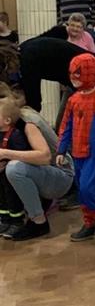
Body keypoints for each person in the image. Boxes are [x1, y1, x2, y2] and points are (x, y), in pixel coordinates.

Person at [0, 84, 74, 241]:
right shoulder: (9, 119)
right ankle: (11, 216)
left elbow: (44, 156)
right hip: (42, 171)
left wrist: (6, 154)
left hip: (60, 175)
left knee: (14, 169)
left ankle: (38, 222)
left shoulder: (27, 121)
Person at [57, 53, 95, 243]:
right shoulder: (73, 100)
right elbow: (66, 125)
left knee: (89, 188)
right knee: (82, 191)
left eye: (78, 74)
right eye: (72, 74)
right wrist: (61, 149)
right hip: (77, 153)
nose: (73, 78)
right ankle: (89, 223)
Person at [19, 35, 95, 112]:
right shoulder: (23, 50)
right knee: (64, 122)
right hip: (76, 79)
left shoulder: (27, 60)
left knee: (85, 119)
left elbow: (34, 102)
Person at [0, 98, 31, 235]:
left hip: (10, 174)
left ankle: (17, 221)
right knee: (1, 197)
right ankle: (5, 220)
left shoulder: (15, 135)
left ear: (7, 120)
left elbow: (21, 154)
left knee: (12, 197)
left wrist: (7, 161)